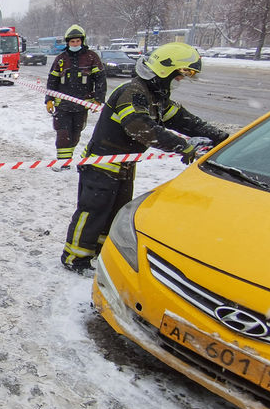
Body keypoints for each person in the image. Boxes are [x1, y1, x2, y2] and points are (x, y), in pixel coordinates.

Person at [61, 42, 229, 274]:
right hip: (101, 165)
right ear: (163, 73)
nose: (178, 82)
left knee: (113, 213)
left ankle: (97, 253)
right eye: (177, 76)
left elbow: (183, 120)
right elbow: (139, 126)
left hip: (123, 166)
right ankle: (74, 258)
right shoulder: (132, 93)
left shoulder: (154, 97)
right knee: (92, 213)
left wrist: (222, 138)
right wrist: (182, 146)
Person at [44, 25, 106, 170]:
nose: (75, 44)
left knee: (75, 134)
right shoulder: (61, 59)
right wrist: (49, 99)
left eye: (77, 41)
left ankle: (68, 158)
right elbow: (52, 81)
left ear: (82, 41)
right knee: (63, 134)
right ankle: (63, 163)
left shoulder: (91, 57)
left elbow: (100, 80)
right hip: (63, 105)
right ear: (68, 43)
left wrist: (98, 99)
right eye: (72, 42)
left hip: (81, 105)